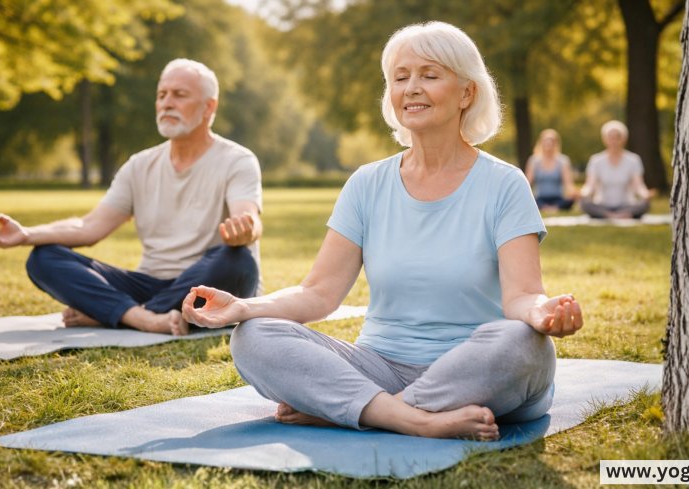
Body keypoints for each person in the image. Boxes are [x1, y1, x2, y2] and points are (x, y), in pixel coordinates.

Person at [181, 22, 582, 440]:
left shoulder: (505, 183)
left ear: (467, 93)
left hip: (476, 368)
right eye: (400, 77)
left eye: (429, 75)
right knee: (254, 338)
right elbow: (318, 292)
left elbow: (521, 295)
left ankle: (361, 410)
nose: (411, 88)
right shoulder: (367, 184)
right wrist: (245, 308)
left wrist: (542, 313)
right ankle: (413, 418)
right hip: (381, 367)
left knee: (523, 343)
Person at [0, 59, 263, 336]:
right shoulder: (139, 165)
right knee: (44, 258)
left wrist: (246, 229)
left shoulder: (237, 160)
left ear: (208, 107)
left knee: (238, 260)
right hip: (147, 282)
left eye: (179, 95)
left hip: (206, 284)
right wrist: (27, 234)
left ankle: (118, 314)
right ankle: (144, 318)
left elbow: (248, 217)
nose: (166, 103)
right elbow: (90, 227)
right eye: (162, 95)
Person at [580, 120, 652, 219]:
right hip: (602, 205)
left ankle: (618, 215)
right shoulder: (596, 160)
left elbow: (639, 186)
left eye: (617, 138)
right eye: (610, 138)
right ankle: (611, 215)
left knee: (645, 204)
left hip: (626, 205)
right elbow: (589, 186)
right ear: (604, 139)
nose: (613, 141)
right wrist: (583, 193)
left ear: (623, 139)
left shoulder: (634, 160)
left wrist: (645, 194)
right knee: (585, 203)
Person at [524, 129, 578, 211]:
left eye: (551, 141)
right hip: (540, 199)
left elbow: (568, 184)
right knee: (531, 201)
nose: (548, 143)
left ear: (556, 143)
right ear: (541, 142)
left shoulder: (563, 161)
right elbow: (528, 183)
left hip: (558, 199)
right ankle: (548, 208)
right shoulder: (534, 161)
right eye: (546, 141)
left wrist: (574, 193)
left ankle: (552, 208)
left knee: (570, 200)